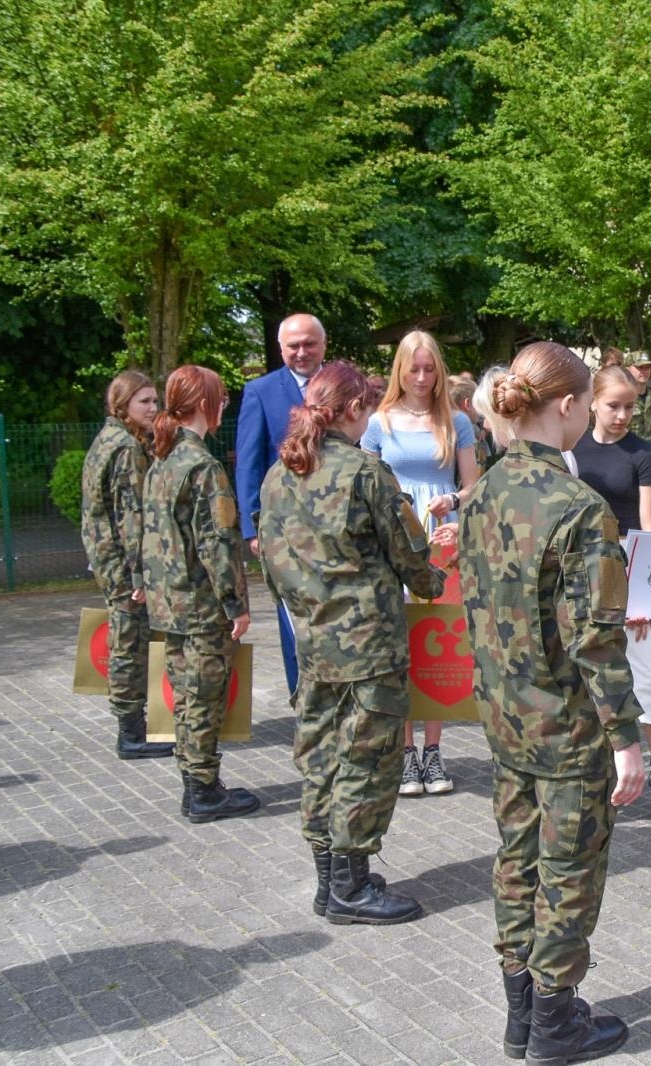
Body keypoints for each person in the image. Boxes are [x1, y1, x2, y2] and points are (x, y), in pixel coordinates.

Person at [457, 342, 645, 1065]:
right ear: (568, 406)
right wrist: (625, 738)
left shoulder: (484, 495)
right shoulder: (576, 507)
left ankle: (520, 1013)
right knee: (567, 870)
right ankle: (555, 1023)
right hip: (566, 725)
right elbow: (595, 640)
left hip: (505, 717)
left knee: (516, 858)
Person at [258, 362, 447, 925]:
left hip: (311, 640)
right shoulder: (367, 472)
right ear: (352, 411)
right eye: (367, 407)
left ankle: (328, 878)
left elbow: (268, 561)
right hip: (369, 645)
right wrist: (435, 579)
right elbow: (410, 554)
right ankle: (351, 886)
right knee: (368, 759)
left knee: (321, 755)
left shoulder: (278, 475)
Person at [363, 329, 479, 798]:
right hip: (395, 535)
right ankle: (406, 752)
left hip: (442, 536)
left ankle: (434, 751)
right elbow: (365, 483)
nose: (422, 377)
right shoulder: (378, 422)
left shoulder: (456, 421)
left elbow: (475, 484)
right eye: (414, 368)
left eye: (430, 369)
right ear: (400, 369)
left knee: (438, 639)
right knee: (402, 640)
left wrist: (452, 498)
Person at [571, 366, 651, 820]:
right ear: (592, 403)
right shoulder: (572, 450)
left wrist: (643, 597)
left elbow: (649, 525)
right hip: (583, 566)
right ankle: (600, 771)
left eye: (629, 406)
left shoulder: (642, 452)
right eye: (613, 406)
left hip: (632, 561)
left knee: (649, 675)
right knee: (591, 671)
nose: (622, 415)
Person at [141, 365, 257, 823]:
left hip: (168, 601)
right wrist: (235, 604)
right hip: (203, 603)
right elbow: (218, 542)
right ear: (207, 404)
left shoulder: (162, 460)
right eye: (222, 400)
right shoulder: (202, 466)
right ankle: (204, 789)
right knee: (206, 695)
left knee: (187, 695)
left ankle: (196, 784)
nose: (224, 407)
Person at [79, 370, 175, 759]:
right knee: (130, 643)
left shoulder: (107, 439)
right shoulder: (126, 448)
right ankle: (131, 733)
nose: (154, 408)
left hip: (106, 557)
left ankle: (133, 726)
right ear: (123, 405)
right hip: (122, 563)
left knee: (126, 640)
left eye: (155, 401)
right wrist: (140, 574)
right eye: (145, 402)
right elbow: (131, 516)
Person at [235, 313, 325, 697]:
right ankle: (301, 699)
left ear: (324, 344)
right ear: (280, 348)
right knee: (292, 618)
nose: (301, 352)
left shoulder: (342, 383)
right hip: (283, 528)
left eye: (309, 343)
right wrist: (252, 527)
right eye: (293, 346)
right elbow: (249, 462)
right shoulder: (261, 391)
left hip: (335, 524)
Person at [625, 350, 651, 448]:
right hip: (628, 457)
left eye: (647, 368)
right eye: (640, 367)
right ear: (627, 369)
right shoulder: (622, 399)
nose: (644, 371)